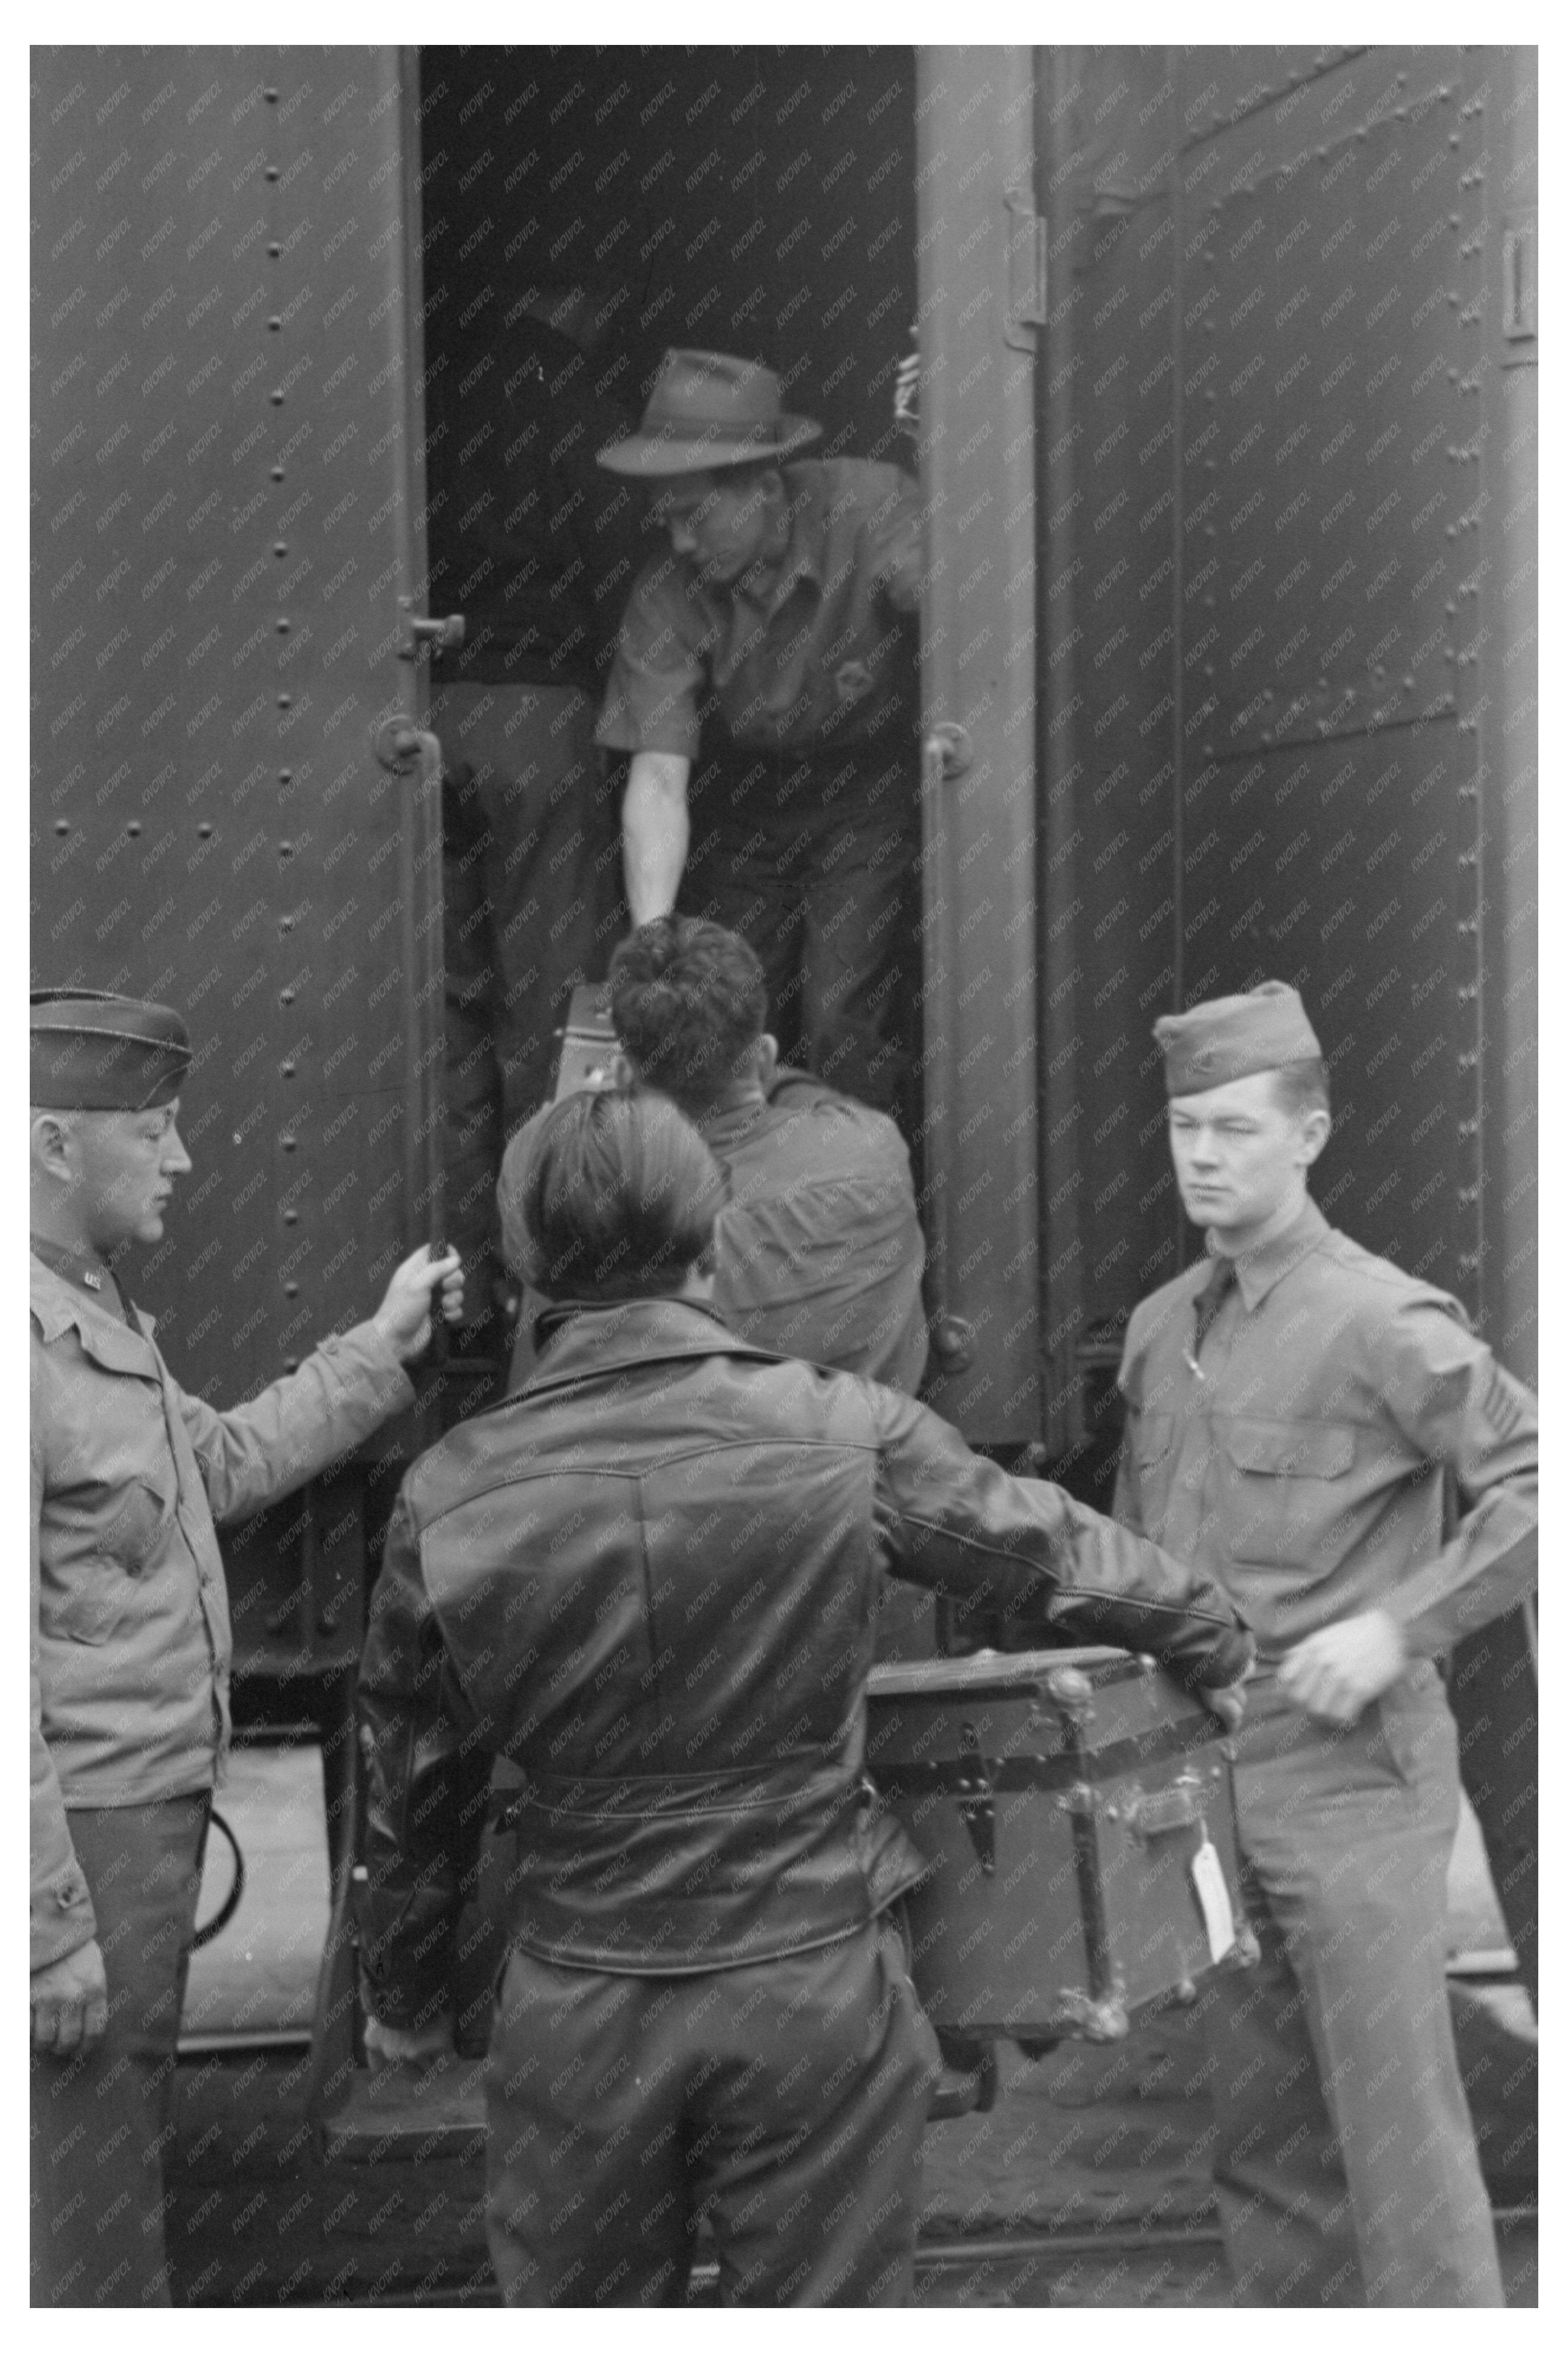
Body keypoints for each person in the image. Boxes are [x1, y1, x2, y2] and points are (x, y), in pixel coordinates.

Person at [355, 1087, 1252, 2307]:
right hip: (812, 1977)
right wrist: (1208, 1635)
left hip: (580, 1990)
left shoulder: (449, 1490)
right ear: (711, 1242)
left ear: (525, 1267)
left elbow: (411, 1781)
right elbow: (1038, 1548)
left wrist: (401, 1999)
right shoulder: (837, 1427)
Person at [29, 987, 463, 2308]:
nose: (184, 1160)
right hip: (88, 1843)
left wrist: (378, 1352)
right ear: (56, 1146)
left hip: (138, 1823)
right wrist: (45, 1928)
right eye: (154, 1132)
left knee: (106, 2166)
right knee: (84, 2216)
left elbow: (210, 1466)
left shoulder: (85, 1310)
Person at [1113, 980, 1538, 2308]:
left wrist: (1394, 1628)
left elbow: (1537, 1490)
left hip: (1352, 1784)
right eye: (1185, 1127)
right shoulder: (1157, 1330)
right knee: (1263, 2151)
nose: (1203, 1155)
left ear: (1309, 1134)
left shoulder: (1381, 1318)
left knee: (1397, 2150)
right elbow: (1133, 1559)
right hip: (1208, 1782)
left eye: (1235, 1129)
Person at [594, 348, 923, 1118]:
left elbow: (971, 611)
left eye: (693, 516)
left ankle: (858, 1198)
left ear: (766, 486)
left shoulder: (871, 509)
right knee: (732, 1021)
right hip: (744, 809)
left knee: (842, 1020)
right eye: (665, 520)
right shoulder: (665, 593)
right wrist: (654, 951)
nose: (678, 544)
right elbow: (659, 778)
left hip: (862, 798)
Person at [429, 276, 647, 1345]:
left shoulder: (437, 393)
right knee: (552, 1014)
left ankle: (456, 1272)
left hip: (431, 712)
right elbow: (623, 592)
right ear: (587, 306)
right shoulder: (582, 414)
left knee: (449, 1009)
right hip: (539, 718)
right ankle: (538, 1279)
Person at [499, 916, 928, 1395]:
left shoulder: (596, 1223)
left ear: (622, 1076)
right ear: (763, 1057)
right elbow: (806, 1096)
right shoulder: (873, 1146)